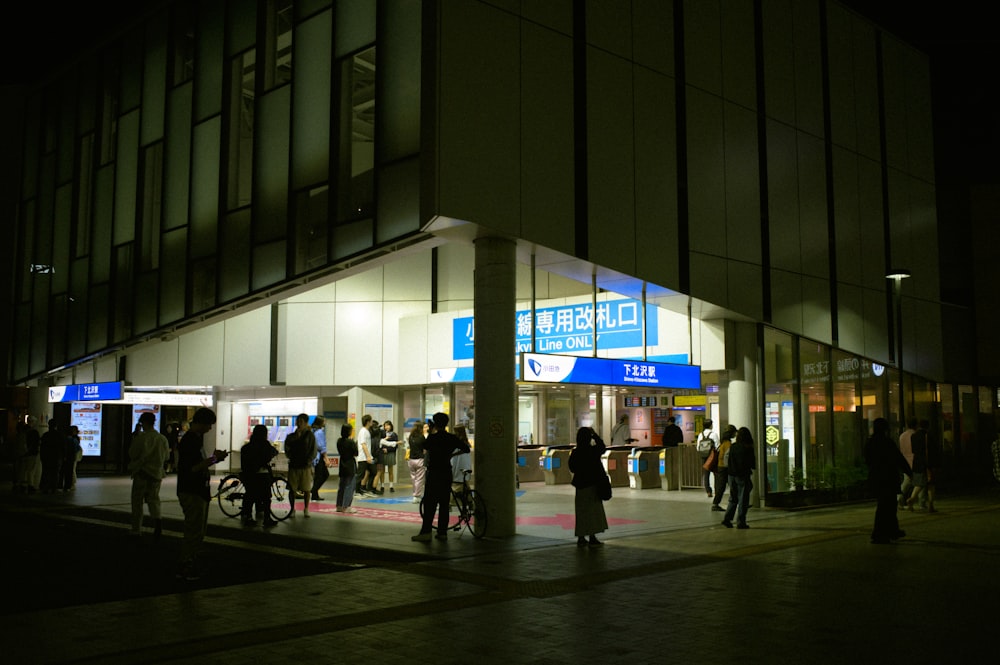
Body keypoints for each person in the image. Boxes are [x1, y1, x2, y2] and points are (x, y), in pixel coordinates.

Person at [176, 407, 228, 580]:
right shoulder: (191, 440)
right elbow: (193, 467)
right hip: (192, 490)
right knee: (194, 530)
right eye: (208, 425)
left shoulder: (194, 439)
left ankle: (190, 563)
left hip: (196, 490)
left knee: (196, 530)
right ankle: (186, 565)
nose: (210, 429)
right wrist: (215, 459)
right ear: (201, 423)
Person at [412, 412, 469, 542]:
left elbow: (424, 447)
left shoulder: (433, 438)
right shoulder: (451, 437)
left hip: (434, 473)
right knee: (444, 504)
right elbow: (466, 449)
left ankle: (426, 532)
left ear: (435, 423)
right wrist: (452, 455)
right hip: (446, 472)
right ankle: (442, 532)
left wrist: (431, 431)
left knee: (430, 503)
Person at [865, 417, 912, 544]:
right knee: (888, 506)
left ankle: (891, 531)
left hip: (877, 478)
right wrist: (908, 471)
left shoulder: (871, 442)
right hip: (888, 478)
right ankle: (880, 533)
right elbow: (898, 458)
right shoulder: (887, 442)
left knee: (885, 505)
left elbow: (868, 460)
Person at [127, 412, 170, 539]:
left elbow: (132, 453)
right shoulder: (162, 438)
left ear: (143, 422)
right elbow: (166, 456)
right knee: (154, 500)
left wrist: (135, 435)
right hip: (157, 474)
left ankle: (136, 529)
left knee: (137, 503)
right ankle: (157, 523)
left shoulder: (141, 438)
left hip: (142, 473)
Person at [569, 426, 610, 547]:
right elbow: (602, 447)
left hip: (581, 486)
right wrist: (594, 435)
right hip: (593, 484)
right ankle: (592, 537)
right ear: (588, 438)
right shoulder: (593, 450)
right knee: (593, 511)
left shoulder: (576, 452)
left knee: (581, 511)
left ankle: (581, 537)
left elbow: (572, 467)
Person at [240, 424, 278, 528]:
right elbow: (273, 452)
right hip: (263, 474)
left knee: (250, 496)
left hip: (250, 475)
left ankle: (248, 517)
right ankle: (267, 518)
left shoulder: (246, 447)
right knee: (266, 498)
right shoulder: (265, 445)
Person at [721, 427, 756, 529]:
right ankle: (741, 521)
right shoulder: (748, 447)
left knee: (733, 498)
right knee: (743, 499)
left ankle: (727, 519)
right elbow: (752, 463)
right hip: (742, 475)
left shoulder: (733, 446)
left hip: (731, 475)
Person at [285, 413, 317, 518]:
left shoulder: (310, 436)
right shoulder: (291, 436)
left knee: (307, 489)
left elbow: (313, 450)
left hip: (305, 466)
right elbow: (287, 449)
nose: (299, 424)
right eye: (298, 421)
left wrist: (309, 461)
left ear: (306, 422)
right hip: (294, 466)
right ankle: (292, 509)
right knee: (292, 489)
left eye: (301, 422)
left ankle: (306, 508)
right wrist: (291, 457)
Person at [711, 425, 737, 512]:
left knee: (723, 486)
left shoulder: (723, 443)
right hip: (724, 467)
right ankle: (716, 504)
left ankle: (716, 503)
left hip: (720, 466)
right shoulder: (728, 444)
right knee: (725, 486)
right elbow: (727, 457)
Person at [905, 420, 929, 511]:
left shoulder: (913, 436)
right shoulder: (926, 435)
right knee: (923, 482)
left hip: (916, 461)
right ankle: (915, 500)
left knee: (919, 481)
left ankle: (919, 502)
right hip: (924, 461)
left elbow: (913, 450)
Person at [335, 423, 359, 513]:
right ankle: (347, 506)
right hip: (350, 464)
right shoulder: (350, 442)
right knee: (350, 486)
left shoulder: (339, 441)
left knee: (342, 486)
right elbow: (356, 453)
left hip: (342, 464)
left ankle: (339, 505)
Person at [897, 417, 917, 508]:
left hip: (905, 461)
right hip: (915, 461)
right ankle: (920, 502)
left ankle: (900, 498)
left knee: (907, 481)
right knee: (920, 482)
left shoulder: (902, 436)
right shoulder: (915, 435)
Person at [39, 420, 64, 494]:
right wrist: (63, 456)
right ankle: (54, 488)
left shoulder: (45, 435)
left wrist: (42, 456)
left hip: (46, 457)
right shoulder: (59, 435)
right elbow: (62, 447)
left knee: (46, 472)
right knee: (55, 473)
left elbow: (42, 447)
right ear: (56, 426)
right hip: (56, 457)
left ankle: (45, 487)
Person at [697, 419, 720, 497]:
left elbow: (698, 447)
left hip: (704, 456)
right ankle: (717, 490)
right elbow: (718, 446)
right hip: (713, 456)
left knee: (706, 474)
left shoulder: (701, 435)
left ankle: (708, 491)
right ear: (711, 425)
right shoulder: (714, 434)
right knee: (716, 474)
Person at [407, 421, 427, 504]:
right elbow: (424, 449)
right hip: (420, 459)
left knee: (413, 478)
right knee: (419, 479)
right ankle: (417, 496)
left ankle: (414, 494)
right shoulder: (422, 437)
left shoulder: (411, 436)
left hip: (411, 460)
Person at [310, 416, 329, 501]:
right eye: (324, 421)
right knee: (324, 475)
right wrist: (326, 458)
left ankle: (315, 494)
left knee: (318, 476)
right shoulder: (320, 432)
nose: (325, 422)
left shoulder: (313, 431)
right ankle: (314, 490)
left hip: (314, 456)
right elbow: (321, 446)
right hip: (319, 456)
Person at [355, 414, 375, 495]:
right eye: (371, 421)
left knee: (373, 471)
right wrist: (368, 456)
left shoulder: (367, 431)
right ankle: (357, 490)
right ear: (368, 422)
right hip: (363, 457)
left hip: (367, 457)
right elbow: (363, 445)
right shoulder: (363, 431)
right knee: (360, 474)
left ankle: (367, 488)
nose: (372, 422)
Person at [924, 420, 941, 513]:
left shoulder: (916, 436)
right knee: (931, 484)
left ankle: (914, 498)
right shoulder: (930, 437)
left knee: (922, 483)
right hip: (930, 463)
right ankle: (930, 503)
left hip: (922, 463)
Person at [380, 420, 399, 493]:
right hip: (383, 454)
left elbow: (395, 445)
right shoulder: (382, 434)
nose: (386, 427)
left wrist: (387, 449)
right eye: (385, 425)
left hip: (390, 453)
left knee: (390, 470)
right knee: (382, 470)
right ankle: (382, 486)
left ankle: (391, 486)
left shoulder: (394, 434)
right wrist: (383, 449)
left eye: (388, 425)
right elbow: (380, 443)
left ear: (391, 426)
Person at [63, 426, 83, 491]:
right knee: (72, 470)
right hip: (74, 457)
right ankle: (72, 484)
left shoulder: (69, 439)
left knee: (71, 470)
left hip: (70, 457)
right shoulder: (75, 439)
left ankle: (71, 484)